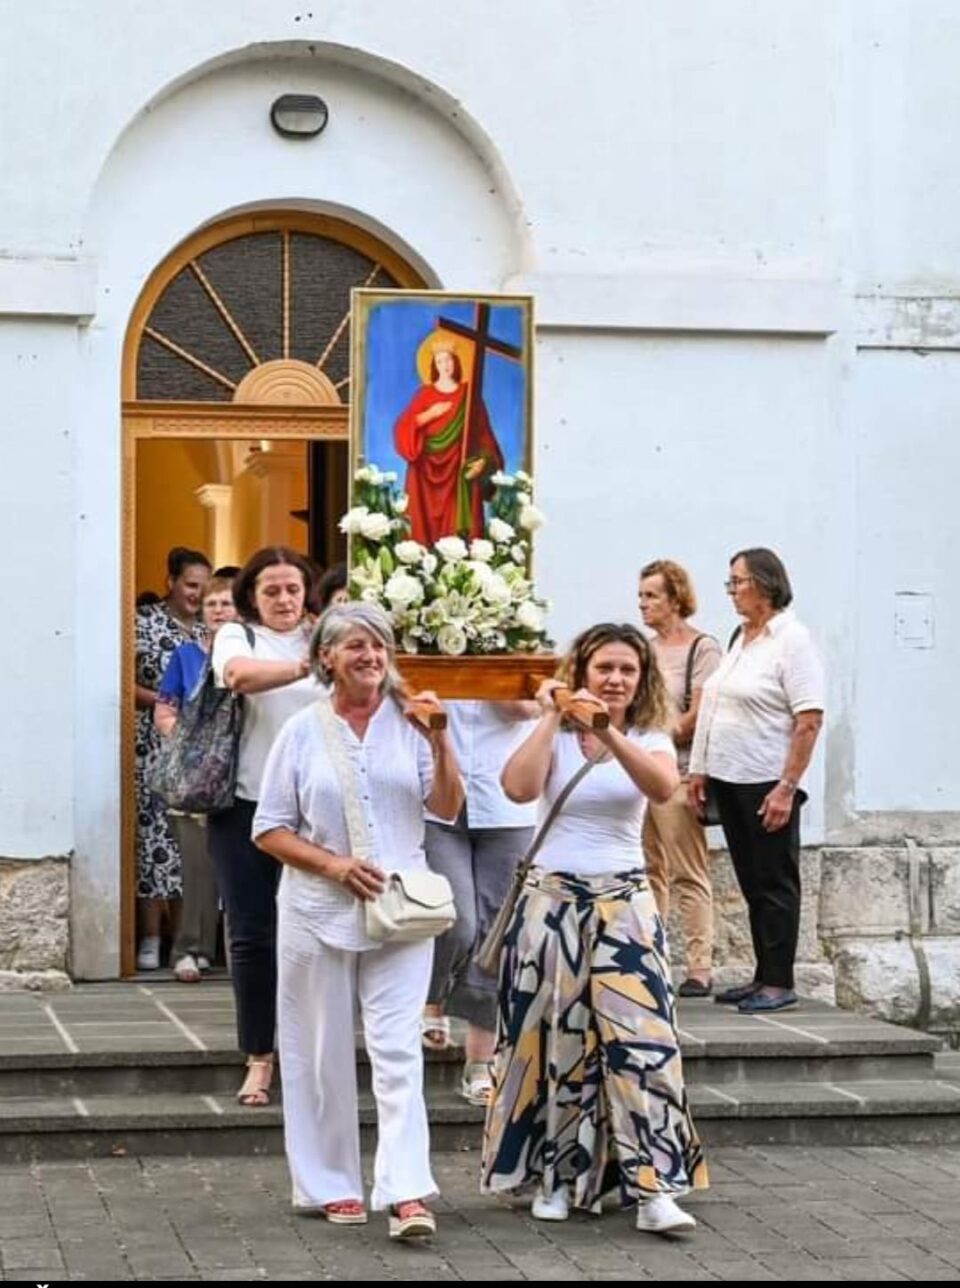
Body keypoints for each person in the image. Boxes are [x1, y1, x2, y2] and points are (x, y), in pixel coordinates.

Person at [483, 623, 708, 1234]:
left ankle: (652, 1187)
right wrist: (552, 719)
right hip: (551, 904)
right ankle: (558, 1177)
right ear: (581, 671)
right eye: (603, 668)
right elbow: (516, 786)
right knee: (558, 1042)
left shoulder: (648, 733)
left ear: (641, 681)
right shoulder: (554, 732)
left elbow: (663, 788)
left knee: (644, 1045)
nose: (614, 679)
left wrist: (608, 730)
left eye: (626, 671)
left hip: (624, 904)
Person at [253, 603, 463, 1238]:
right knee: (318, 1051)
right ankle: (329, 1183)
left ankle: (405, 1190)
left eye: (379, 645)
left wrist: (441, 738)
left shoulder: (413, 722)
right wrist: (335, 866)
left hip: (401, 909)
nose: (370, 656)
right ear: (326, 658)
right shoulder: (301, 729)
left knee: (398, 1048)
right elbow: (269, 829)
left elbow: (448, 808)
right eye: (355, 647)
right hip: (317, 909)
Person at [689, 548, 824, 1014]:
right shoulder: (741, 638)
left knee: (774, 881)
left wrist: (787, 785)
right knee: (751, 879)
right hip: (729, 778)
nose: (731, 591)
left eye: (738, 582)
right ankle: (761, 974)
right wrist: (699, 769)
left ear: (765, 584)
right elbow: (713, 706)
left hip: (766, 780)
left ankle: (779, 980)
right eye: (730, 582)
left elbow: (808, 719)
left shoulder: (792, 640)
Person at [209, 547, 319, 1105]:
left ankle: (311, 1054)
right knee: (253, 935)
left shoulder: (326, 632)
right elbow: (237, 677)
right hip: (246, 805)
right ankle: (259, 1057)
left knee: (317, 935)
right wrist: (308, 667)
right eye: (271, 590)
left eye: (292, 589)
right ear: (252, 595)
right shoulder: (238, 636)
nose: (283, 600)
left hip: (318, 813)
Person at [421, 701, 538, 1105]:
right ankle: (431, 1000)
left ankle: (480, 1062)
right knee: (454, 919)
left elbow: (529, 709)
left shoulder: (523, 646)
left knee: (496, 935)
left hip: (506, 803)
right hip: (436, 799)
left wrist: (492, 675)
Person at [639, 560, 722, 997]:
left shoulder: (702, 649)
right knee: (648, 869)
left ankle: (699, 967)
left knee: (688, 871)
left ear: (675, 599)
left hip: (680, 772)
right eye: (641, 596)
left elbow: (699, 716)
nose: (643, 604)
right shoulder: (644, 649)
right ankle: (651, 955)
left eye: (651, 596)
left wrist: (647, 735)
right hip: (642, 772)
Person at [154, 575, 238, 982]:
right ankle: (189, 949)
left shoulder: (255, 656)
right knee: (196, 864)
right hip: (196, 776)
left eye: (227, 603)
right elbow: (163, 711)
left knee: (237, 867)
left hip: (243, 775)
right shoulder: (186, 656)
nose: (219, 611)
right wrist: (190, 745)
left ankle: (228, 950)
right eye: (212, 604)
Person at [134, 546, 211, 970]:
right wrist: (167, 701)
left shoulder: (212, 628)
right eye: (190, 585)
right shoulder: (144, 622)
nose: (197, 595)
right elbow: (123, 680)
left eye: (203, 586)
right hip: (155, 742)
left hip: (202, 746)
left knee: (191, 842)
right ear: (172, 582)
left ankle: (189, 940)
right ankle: (149, 934)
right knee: (153, 837)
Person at [393, 337, 504, 545]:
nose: (445, 366)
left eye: (449, 360)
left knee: (459, 532)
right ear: (434, 365)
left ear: (456, 362)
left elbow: (485, 437)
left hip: (459, 472)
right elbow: (403, 429)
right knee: (422, 529)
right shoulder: (425, 394)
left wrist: (484, 461)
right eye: (440, 361)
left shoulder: (469, 396)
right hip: (425, 473)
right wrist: (429, 415)